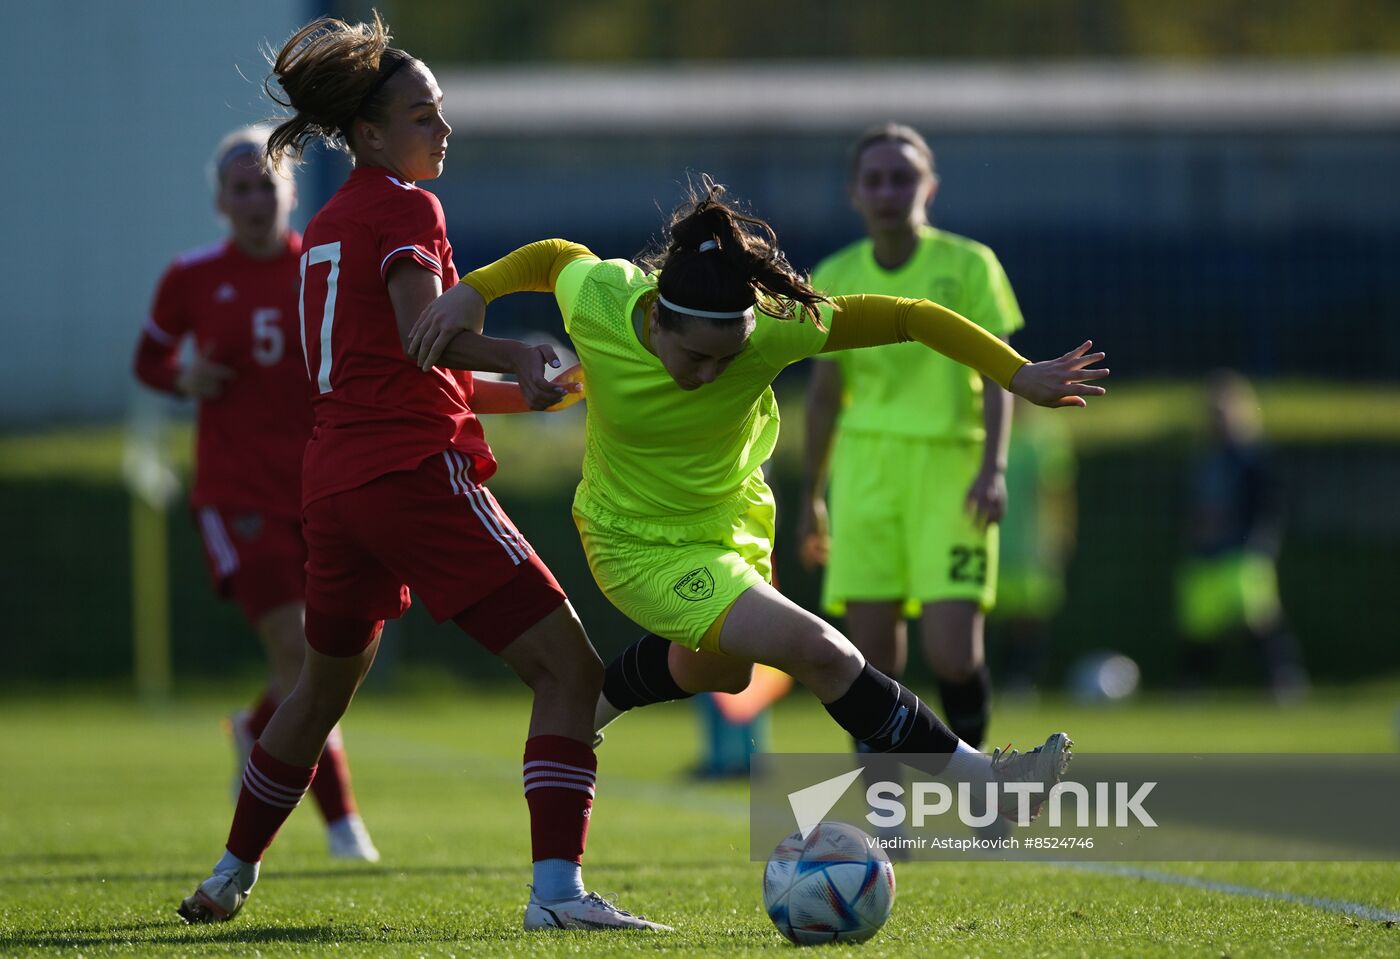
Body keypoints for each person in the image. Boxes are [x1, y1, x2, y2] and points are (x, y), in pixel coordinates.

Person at [411, 177, 1109, 830]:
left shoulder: (776, 326)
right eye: (696, 358)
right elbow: (553, 255)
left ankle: (592, 699)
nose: (712, 373)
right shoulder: (602, 300)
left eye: (729, 358)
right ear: (656, 321)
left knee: (722, 668)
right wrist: (474, 291)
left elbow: (910, 316)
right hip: (635, 544)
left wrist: (1017, 374)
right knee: (820, 649)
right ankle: (985, 779)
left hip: (733, 526)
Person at [177, 14, 666, 932]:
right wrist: (514, 348)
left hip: (335, 484)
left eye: (440, 111)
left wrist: (525, 389)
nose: (442, 129)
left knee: (317, 690)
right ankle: (558, 894)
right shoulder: (406, 206)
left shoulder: (325, 223)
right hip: (407, 476)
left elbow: (394, 367)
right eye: (421, 115)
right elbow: (421, 336)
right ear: (368, 134)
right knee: (569, 670)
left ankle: (230, 870)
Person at [133, 125, 378, 863]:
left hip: (322, 487)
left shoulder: (324, 269)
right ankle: (344, 827)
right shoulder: (193, 275)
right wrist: (183, 376)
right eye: (239, 187)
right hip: (238, 493)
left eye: (265, 185)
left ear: (292, 194)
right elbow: (150, 357)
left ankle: (258, 726)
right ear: (220, 200)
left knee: (337, 656)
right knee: (304, 658)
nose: (253, 199)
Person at [797, 124, 1020, 754]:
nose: (889, 191)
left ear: (930, 188)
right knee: (869, 664)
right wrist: (814, 492)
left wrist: (993, 467)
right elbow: (824, 395)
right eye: (875, 179)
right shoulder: (836, 273)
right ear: (855, 193)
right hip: (865, 472)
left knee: (953, 652)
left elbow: (999, 370)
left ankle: (984, 799)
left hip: (952, 468)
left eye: (902, 178)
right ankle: (888, 821)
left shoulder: (970, 265)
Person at [1176, 370, 1308, 701]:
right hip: (1206, 553)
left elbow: (1270, 506)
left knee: (1258, 619)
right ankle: (1194, 685)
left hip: (1243, 551)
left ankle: (1283, 678)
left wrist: (1260, 543)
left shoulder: (1254, 459)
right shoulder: (1204, 459)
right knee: (1200, 625)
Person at [989, 397, 1078, 693]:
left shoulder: (1046, 435)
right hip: (993, 540)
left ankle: (1022, 680)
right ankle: (991, 679)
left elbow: (1058, 491)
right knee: (984, 614)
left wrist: (1061, 533)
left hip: (1032, 544)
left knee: (1029, 617)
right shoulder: (988, 429)